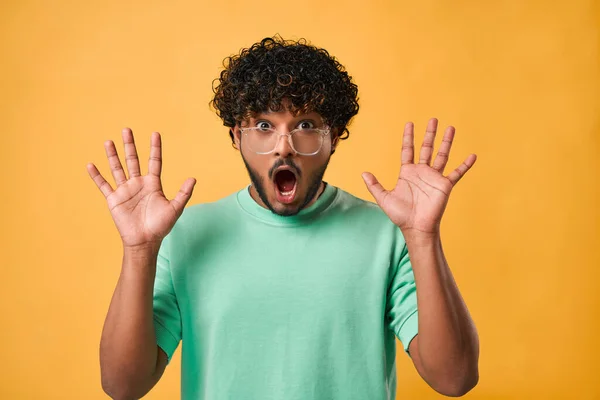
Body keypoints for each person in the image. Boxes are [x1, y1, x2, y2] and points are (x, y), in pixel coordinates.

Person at [88, 36, 480, 400]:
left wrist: (423, 236)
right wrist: (139, 250)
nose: (284, 147)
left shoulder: (388, 235)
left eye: (306, 126)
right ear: (236, 137)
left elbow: (454, 378)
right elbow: (123, 385)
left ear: (334, 136)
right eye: (263, 126)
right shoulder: (186, 234)